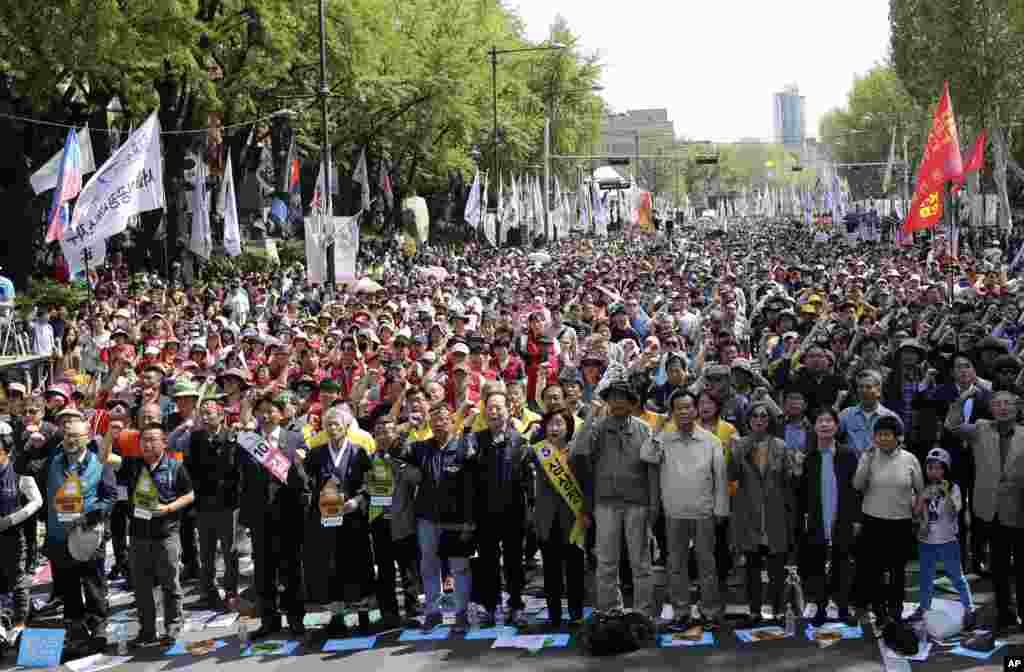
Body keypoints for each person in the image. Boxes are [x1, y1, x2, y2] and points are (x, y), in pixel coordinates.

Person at [572, 379, 659, 617]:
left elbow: (653, 468)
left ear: (633, 403)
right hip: (605, 503)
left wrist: (654, 504)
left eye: (623, 397)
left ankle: (643, 612)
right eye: (613, 397)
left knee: (640, 563)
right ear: (607, 401)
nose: (618, 402)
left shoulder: (644, 429)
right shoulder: (597, 427)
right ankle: (610, 609)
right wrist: (590, 417)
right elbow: (578, 453)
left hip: (637, 503)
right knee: (607, 563)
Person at [641, 390, 727, 627]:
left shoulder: (711, 441)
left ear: (696, 409)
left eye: (689, 407)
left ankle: (709, 612)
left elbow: (719, 478)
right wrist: (659, 427)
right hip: (674, 512)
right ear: (673, 412)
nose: (685, 411)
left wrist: (721, 508)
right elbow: (646, 454)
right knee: (676, 565)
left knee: (706, 565)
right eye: (679, 408)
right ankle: (681, 612)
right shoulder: (664, 440)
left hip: (704, 512)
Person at [945, 388, 1024, 631]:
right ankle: (1004, 613)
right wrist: (960, 401)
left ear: (1017, 409)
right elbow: (952, 426)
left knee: (1021, 566)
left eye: (1007, 404)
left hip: (1019, 508)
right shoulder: (980, 428)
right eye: (997, 403)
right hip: (989, 508)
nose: (1002, 408)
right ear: (991, 408)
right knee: (998, 566)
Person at [241, 393, 310, 639]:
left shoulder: (294, 438)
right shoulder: (249, 441)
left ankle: (295, 619)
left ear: (281, 414)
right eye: (261, 411)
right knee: (264, 572)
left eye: (271, 411)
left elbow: (302, 480)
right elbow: (244, 481)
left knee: (291, 570)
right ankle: (269, 620)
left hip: (288, 515)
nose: (266, 415)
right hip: (260, 518)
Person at [44, 418, 116, 652]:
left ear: (87, 438)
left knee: (93, 584)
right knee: (68, 585)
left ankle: (98, 627)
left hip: (88, 535)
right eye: (67, 436)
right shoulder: (54, 461)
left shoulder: (99, 463)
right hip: (59, 536)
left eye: (76, 436)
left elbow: (109, 497)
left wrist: (89, 519)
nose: (71, 440)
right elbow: (24, 468)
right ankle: (75, 628)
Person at [405, 403, 477, 632]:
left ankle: (461, 613)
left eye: (443, 418)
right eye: (433, 419)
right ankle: (433, 613)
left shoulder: (462, 445)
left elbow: (472, 476)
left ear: (451, 420)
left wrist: (469, 519)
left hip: (456, 519)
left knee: (459, 568)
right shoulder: (420, 447)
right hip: (426, 518)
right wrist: (409, 427)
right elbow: (397, 451)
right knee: (429, 567)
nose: (438, 423)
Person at [305, 404, 376, 636]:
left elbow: (369, 484)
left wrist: (356, 501)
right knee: (332, 564)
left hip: (353, 516)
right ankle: (337, 615)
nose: (332, 428)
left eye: (336, 424)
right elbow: (308, 484)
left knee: (358, 562)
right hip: (327, 517)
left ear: (346, 427)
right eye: (328, 425)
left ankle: (363, 613)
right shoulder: (316, 454)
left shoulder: (358, 452)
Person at [729, 401, 801, 626]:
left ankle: (779, 610)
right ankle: (754, 611)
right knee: (751, 568)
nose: (759, 420)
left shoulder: (780, 445)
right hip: (749, 513)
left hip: (774, 513)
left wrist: (796, 468)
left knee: (776, 568)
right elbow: (731, 475)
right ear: (748, 421)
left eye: (763, 416)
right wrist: (734, 453)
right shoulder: (740, 444)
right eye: (754, 416)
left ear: (769, 420)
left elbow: (789, 479)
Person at [126, 424, 195, 646]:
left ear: (164, 442)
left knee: (170, 583)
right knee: (142, 586)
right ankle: (146, 631)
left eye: (153, 439)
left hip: (166, 534)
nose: (147, 444)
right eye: (144, 440)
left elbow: (189, 495)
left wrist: (168, 508)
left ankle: (173, 626)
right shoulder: (133, 466)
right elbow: (104, 457)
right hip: (138, 536)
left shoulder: (175, 467)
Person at [852, 415, 923, 627]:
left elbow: (920, 490)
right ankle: (879, 611)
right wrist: (865, 459)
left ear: (898, 437)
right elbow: (857, 485)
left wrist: (919, 516)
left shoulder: (910, 459)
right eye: (878, 435)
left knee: (897, 571)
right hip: (873, 521)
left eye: (887, 435)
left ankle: (896, 610)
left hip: (901, 523)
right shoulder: (869, 457)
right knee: (874, 570)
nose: (882, 439)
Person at [466, 390, 530, 626]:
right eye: (490, 407)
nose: (494, 412)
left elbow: (527, 480)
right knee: (488, 563)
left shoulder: (520, 441)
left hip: (514, 512)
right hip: (484, 513)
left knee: (515, 562)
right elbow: (466, 468)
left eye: (498, 407)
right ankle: (492, 607)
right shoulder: (476, 439)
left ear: (509, 409)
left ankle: (516, 606)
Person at [797, 408, 860, 627]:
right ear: (814, 427)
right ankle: (821, 608)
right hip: (817, 518)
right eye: (820, 421)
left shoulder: (847, 454)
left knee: (842, 563)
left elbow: (855, 490)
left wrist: (855, 519)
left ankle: (843, 608)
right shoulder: (809, 457)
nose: (824, 425)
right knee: (816, 564)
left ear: (836, 426)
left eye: (829, 421)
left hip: (842, 516)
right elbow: (803, 493)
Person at [530, 408, 591, 627]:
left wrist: (585, 512)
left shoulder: (577, 452)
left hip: (574, 519)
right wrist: (532, 434)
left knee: (575, 569)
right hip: (546, 520)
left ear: (568, 428)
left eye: (559, 424)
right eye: (551, 424)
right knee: (551, 571)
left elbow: (587, 484)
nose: (554, 428)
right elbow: (519, 459)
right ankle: (554, 615)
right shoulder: (539, 452)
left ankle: (576, 614)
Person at [184, 398, 242, 609]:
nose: (206, 416)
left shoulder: (232, 436)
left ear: (221, 415)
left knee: (230, 551)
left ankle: (231, 591)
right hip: (204, 503)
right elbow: (190, 468)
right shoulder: (195, 437)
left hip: (228, 503)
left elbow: (236, 469)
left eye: (210, 412)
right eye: (203, 413)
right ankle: (208, 592)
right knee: (206, 551)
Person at [909, 447, 974, 629]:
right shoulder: (922, 488)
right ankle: (924, 607)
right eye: (930, 468)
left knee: (956, 577)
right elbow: (915, 515)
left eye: (939, 468)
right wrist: (923, 499)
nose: (934, 472)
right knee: (926, 577)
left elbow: (955, 511)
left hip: (948, 541)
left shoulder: (954, 488)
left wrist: (945, 494)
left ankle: (969, 608)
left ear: (945, 470)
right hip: (926, 542)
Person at [0, 421, 42, 649]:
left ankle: (19, 623)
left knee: (17, 579)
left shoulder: (19, 470)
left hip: (13, 536)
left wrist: (11, 519)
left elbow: (37, 501)